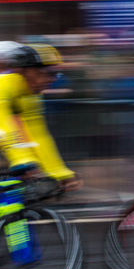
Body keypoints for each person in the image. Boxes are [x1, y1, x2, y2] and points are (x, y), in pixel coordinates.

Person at [0, 43, 82, 191]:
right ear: (21, 71)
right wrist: (23, 159)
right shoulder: (3, 85)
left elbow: (38, 136)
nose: (50, 80)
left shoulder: (32, 96)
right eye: (42, 72)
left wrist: (59, 172)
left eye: (53, 74)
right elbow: (3, 125)